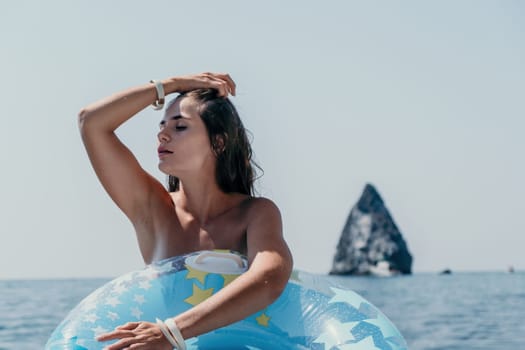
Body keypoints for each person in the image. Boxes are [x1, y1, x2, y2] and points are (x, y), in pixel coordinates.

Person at [78, 72, 293, 349]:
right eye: (162, 125)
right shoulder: (154, 209)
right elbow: (91, 122)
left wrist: (170, 332)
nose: (162, 134)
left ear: (218, 142)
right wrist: (171, 85)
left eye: (180, 127)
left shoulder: (255, 213)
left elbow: (270, 277)